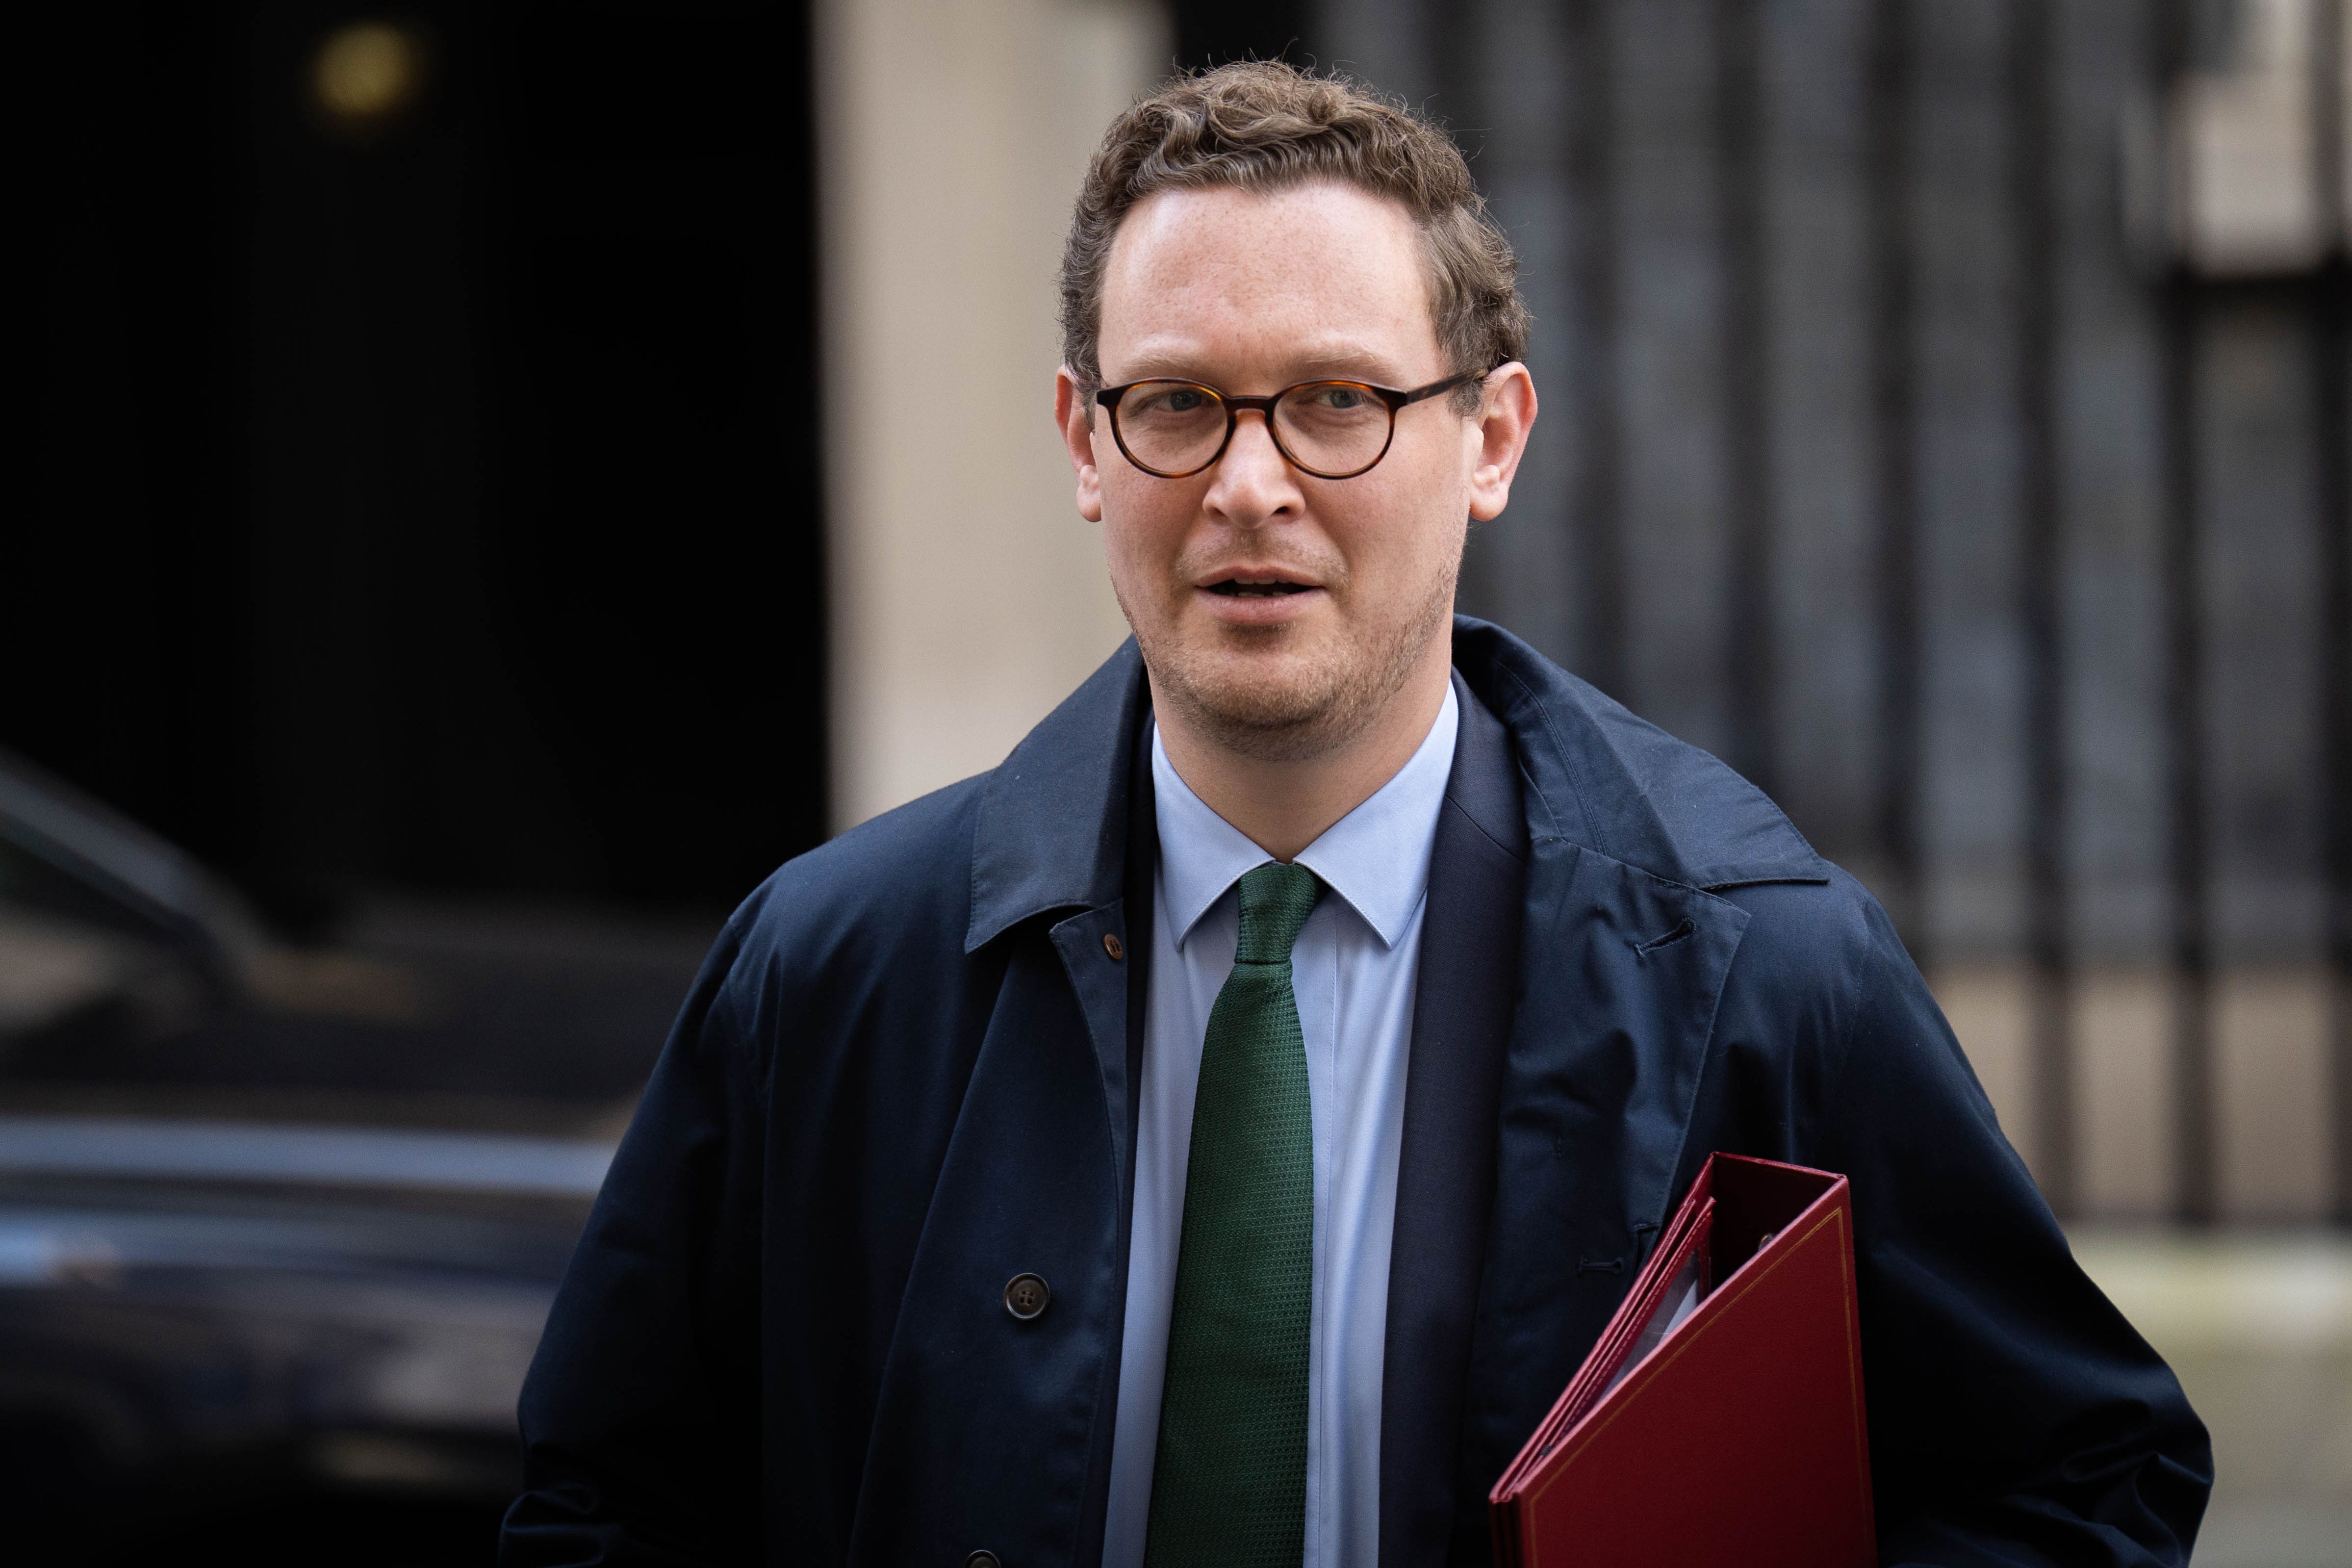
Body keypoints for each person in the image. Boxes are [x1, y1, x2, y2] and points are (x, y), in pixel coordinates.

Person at [501, 61, 2209, 1568]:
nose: (1250, 484)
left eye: (1337, 400)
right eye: (1174, 403)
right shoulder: (827, 968)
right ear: (1085, 446)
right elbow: (607, 1509)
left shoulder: (1762, 966)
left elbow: (2080, 1482)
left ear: (1490, 437)